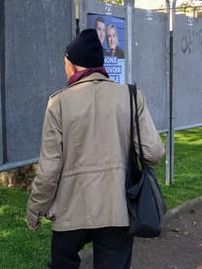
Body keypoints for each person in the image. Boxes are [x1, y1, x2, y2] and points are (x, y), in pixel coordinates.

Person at [26, 28, 164, 269]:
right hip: (117, 209)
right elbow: (153, 153)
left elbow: (48, 170)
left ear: (72, 64)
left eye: (65, 62)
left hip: (69, 210)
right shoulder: (131, 96)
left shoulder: (58, 103)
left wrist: (35, 209)